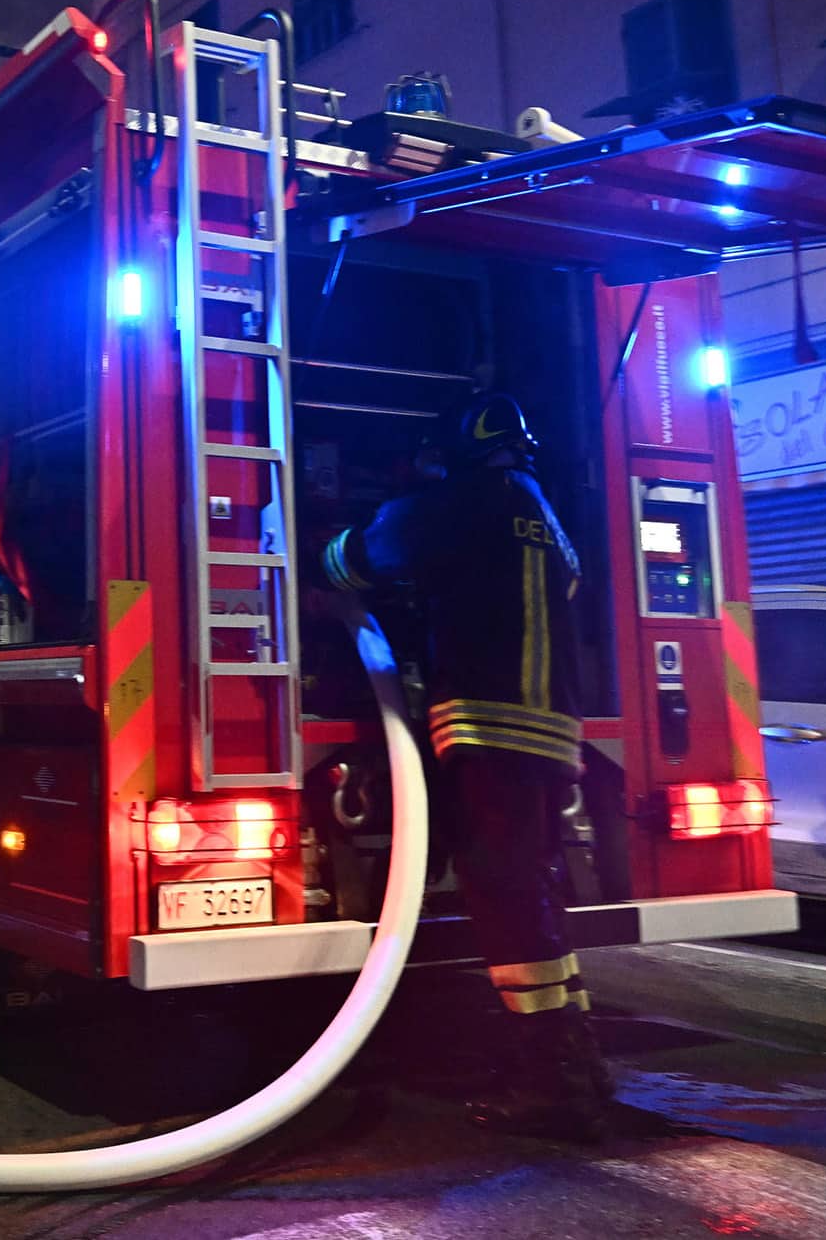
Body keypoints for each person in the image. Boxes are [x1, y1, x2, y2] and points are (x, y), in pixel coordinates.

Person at [320, 392, 611, 1141]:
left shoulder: (456, 503)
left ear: (456, 450)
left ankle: (551, 1083)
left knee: (505, 894)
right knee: (533, 891)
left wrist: (315, 545)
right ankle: (575, 1059)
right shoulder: (545, 516)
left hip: (491, 728)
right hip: (554, 734)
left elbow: (362, 558)